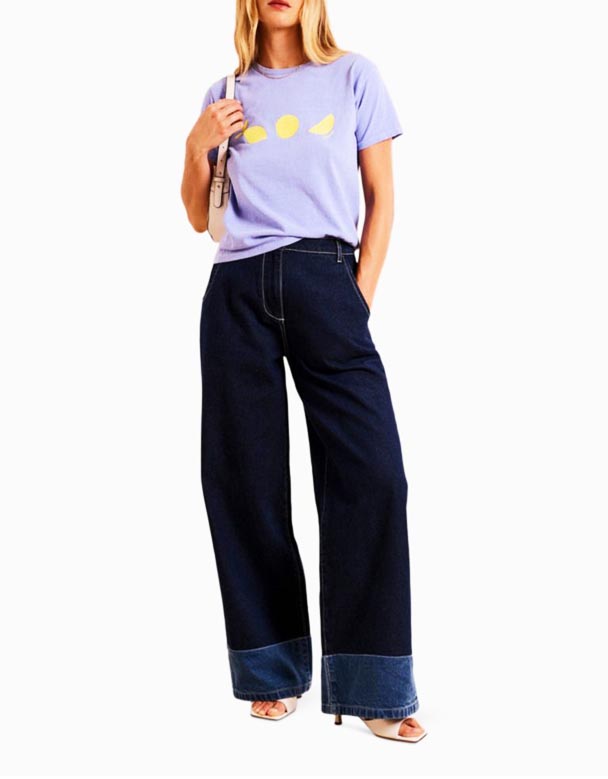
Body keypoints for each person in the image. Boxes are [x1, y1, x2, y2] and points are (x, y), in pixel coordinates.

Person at [180, 0, 427, 743]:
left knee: (373, 474)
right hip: (236, 289)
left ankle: (374, 683)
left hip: (328, 279)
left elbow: (382, 199)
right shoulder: (224, 92)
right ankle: (271, 670)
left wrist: (358, 299)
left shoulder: (354, 77)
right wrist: (197, 145)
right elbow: (197, 216)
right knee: (244, 478)